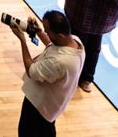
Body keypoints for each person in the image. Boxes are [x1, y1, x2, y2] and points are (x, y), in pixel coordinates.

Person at [11, 9, 83, 137]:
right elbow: (51, 44)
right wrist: (38, 31)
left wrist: (22, 40)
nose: (46, 33)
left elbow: (31, 71)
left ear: (60, 35)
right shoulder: (75, 42)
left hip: (39, 108)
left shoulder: (60, 62)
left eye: (47, 31)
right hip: (49, 107)